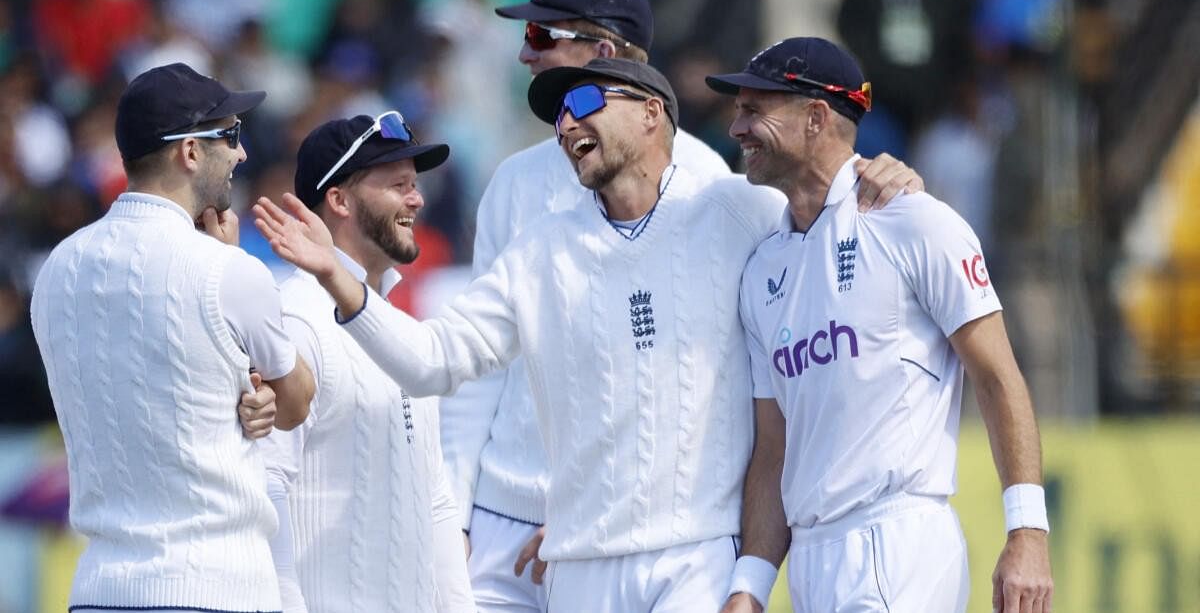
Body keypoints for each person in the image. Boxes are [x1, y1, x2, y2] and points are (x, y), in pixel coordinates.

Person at [254, 57, 917, 612]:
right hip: (578, 570)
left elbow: (831, 232)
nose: (566, 121)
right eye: (556, 113)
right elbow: (434, 362)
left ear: (652, 113)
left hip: (696, 561)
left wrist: (884, 180)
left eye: (582, 100)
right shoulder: (539, 249)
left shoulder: (736, 209)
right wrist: (338, 282)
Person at [437, 0, 922, 613]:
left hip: (629, 533)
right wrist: (452, 519)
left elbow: (713, 376)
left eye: (540, 35)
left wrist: (883, 181)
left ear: (603, 52)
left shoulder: (712, 185)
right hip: (502, 517)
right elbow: (478, 377)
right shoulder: (513, 183)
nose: (525, 53)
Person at [709, 38, 1053, 613]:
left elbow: (998, 377)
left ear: (815, 118)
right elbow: (775, 448)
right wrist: (750, 586)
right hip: (812, 559)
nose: (737, 127)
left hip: (896, 543)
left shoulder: (915, 223)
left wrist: (1028, 535)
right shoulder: (761, 270)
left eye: (753, 109)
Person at [30, 62, 316, 612]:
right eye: (230, 136)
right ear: (190, 151)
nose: (241, 153)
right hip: (215, 587)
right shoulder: (226, 271)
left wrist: (246, 388)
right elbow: (296, 402)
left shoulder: (57, 268)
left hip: (98, 590)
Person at [261, 113, 473, 612]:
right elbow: (266, 492)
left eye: (415, 185)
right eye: (398, 185)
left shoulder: (404, 332)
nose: (417, 200)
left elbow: (436, 498)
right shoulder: (295, 322)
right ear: (339, 200)